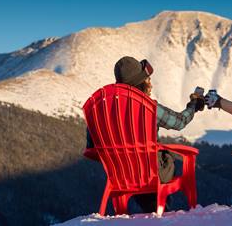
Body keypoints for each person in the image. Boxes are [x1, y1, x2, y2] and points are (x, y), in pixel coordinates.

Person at [84, 56, 205, 213]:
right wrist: (194, 105)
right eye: (147, 80)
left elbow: (91, 148)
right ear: (140, 83)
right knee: (166, 161)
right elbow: (179, 122)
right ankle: (160, 212)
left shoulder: (99, 110)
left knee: (140, 175)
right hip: (152, 172)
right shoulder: (147, 107)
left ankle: (151, 211)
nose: (150, 84)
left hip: (120, 174)